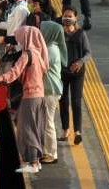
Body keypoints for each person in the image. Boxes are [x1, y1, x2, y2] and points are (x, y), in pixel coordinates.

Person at [0, 26, 49, 173]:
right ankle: (36, 162)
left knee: (26, 129)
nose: (18, 41)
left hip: (30, 96)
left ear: (26, 38)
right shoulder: (38, 53)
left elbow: (15, 72)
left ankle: (31, 163)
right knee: (36, 128)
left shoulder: (26, 55)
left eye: (19, 38)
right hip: (39, 96)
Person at [59, 8, 91, 145]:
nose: (67, 18)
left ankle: (77, 132)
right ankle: (65, 130)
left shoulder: (81, 34)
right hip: (62, 71)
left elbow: (88, 53)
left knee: (76, 102)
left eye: (70, 16)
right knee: (63, 101)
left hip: (77, 72)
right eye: (65, 16)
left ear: (75, 18)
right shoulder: (59, 33)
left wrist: (80, 62)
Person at [40, 20, 67, 164]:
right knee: (46, 121)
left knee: (48, 122)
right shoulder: (52, 46)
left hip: (50, 90)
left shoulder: (50, 49)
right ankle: (47, 151)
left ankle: (51, 154)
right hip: (51, 89)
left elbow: (39, 66)